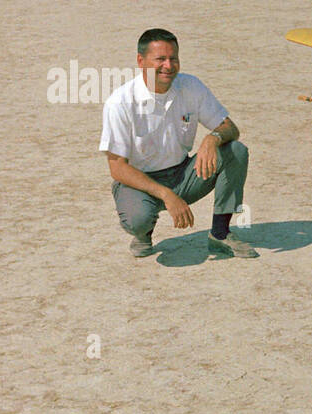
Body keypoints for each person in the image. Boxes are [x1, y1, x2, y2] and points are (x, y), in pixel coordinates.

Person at [100, 29, 256, 259]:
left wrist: (213, 138)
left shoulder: (190, 86)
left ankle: (220, 234)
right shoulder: (120, 102)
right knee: (138, 220)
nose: (168, 65)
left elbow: (231, 129)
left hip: (184, 175)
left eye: (173, 58)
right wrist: (166, 195)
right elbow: (118, 168)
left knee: (236, 151)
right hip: (139, 182)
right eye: (160, 59)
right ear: (140, 61)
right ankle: (144, 233)